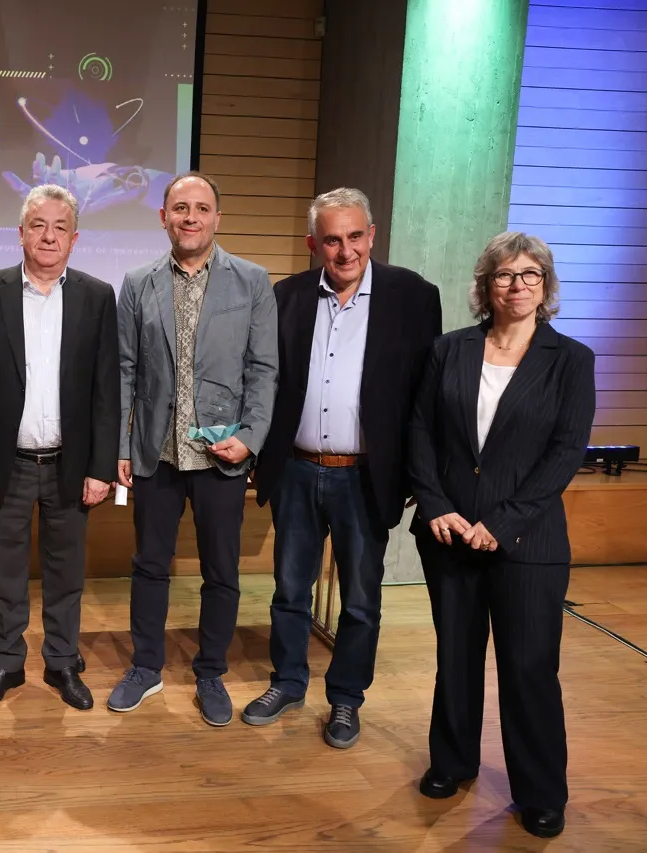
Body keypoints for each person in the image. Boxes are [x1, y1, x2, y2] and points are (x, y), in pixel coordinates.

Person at [407, 232, 595, 839]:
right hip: (449, 534)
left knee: (529, 668)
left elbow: (565, 452)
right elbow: (420, 431)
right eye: (504, 274)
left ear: (546, 286)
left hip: (528, 543)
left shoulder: (571, 360)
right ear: (486, 286)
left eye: (530, 274)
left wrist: (504, 523)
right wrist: (434, 504)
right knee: (456, 658)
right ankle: (452, 761)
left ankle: (540, 791)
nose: (517, 285)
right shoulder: (448, 350)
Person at [244, 188, 442, 748]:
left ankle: (346, 698)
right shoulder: (287, 295)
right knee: (289, 590)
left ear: (372, 235)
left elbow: (425, 395)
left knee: (360, 599)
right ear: (314, 244)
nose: (346, 250)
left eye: (355, 236)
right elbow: (267, 380)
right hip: (296, 470)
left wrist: (416, 473)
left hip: (366, 477)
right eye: (332, 239)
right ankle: (287, 683)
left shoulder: (414, 295)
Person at [109, 171, 278, 726]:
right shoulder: (138, 282)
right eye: (180, 208)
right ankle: (146, 668)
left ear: (217, 218)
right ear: (164, 217)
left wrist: (250, 438)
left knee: (221, 571)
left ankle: (211, 672)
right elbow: (124, 370)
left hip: (220, 455)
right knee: (148, 567)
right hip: (155, 453)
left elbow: (263, 370)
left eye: (201, 208)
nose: (190, 217)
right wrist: (121, 445)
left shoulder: (252, 281)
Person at [0, 185, 119, 711]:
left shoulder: (97, 296)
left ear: (74, 238)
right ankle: (7, 662)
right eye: (38, 226)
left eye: (60, 227)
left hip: (71, 464)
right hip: (9, 462)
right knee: (5, 572)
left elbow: (106, 390)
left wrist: (100, 468)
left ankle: (62, 661)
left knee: (66, 571)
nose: (49, 236)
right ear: (21, 233)